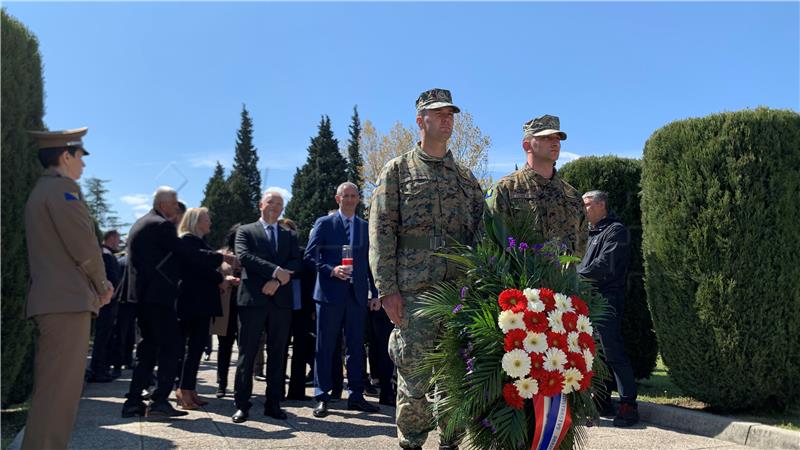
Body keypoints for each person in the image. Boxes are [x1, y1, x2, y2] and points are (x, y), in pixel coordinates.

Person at [369, 88, 485, 450]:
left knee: (455, 376)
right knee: (414, 377)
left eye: (451, 114)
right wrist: (387, 289)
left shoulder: (466, 179)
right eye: (439, 114)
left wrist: (481, 289)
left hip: (458, 294)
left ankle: (450, 442)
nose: (447, 119)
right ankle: (412, 442)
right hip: (414, 292)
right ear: (421, 121)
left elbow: (482, 235)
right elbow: (381, 231)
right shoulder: (397, 170)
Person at [22, 127, 115, 450]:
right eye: (80, 157)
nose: (83, 165)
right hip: (66, 303)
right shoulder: (63, 190)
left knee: (53, 390)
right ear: (65, 156)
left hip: (54, 301)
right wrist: (102, 285)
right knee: (59, 393)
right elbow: (84, 245)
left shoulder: (43, 191)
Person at [121, 187, 230, 419]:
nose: (177, 207)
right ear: (163, 204)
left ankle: (133, 402)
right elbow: (186, 254)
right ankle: (160, 401)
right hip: (159, 297)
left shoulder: (141, 222)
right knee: (172, 348)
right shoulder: (161, 225)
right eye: (174, 203)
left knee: (147, 349)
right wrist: (222, 257)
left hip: (142, 296)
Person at [305, 182, 380, 418]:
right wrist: (330, 270)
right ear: (337, 198)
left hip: (356, 296)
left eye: (353, 196)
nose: (349, 199)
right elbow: (309, 256)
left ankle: (356, 396)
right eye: (345, 195)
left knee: (357, 348)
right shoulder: (324, 223)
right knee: (326, 346)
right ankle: (322, 396)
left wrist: (375, 293)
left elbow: (371, 263)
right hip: (329, 294)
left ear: (358, 199)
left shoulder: (365, 227)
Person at [231, 190, 301, 423]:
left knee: (278, 354)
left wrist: (277, 280)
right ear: (261, 204)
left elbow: (296, 261)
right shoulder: (246, 231)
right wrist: (274, 271)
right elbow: (244, 256)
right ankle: (242, 404)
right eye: (271, 202)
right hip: (252, 300)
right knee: (247, 353)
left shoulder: (288, 234)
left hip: (280, 302)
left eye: (279, 203)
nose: (275, 206)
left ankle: (274, 403)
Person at [577, 190, 639, 427]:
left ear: (601, 204)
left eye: (587, 204)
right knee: (593, 353)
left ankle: (628, 404)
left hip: (608, 300)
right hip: (588, 300)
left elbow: (605, 266)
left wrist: (573, 274)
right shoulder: (590, 233)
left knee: (612, 351)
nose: (584, 209)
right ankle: (602, 398)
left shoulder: (616, 231)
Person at [486, 114, 587, 256]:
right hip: (522, 277)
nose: (555, 142)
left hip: (564, 277)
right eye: (546, 137)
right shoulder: (505, 189)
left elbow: (581, 246)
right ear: (527, 145)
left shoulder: (572, 196)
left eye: (557, 138)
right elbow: (492, 243)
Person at [174, 207, 227, 410]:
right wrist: (219, 274)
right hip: (192, 302)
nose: (210, 223)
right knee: (190, 348)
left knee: (196, 348)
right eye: (207, 219)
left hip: (198, 302)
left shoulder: (197, 242)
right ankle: (183, 389)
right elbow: (200, 264)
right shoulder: (187, 240)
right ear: (196, 221)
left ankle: (189, 387)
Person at [211, 223, 242, 399]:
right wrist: (225, 279)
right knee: (224, 346)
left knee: (244, 348)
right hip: (226, 308)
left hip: (244, 307)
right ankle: (221, 384)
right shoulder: (221, 254)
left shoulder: (250, 255)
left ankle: (241, 385)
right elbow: (212, 276)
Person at [88, 229, 123, 382]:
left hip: (108, 301)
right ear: (111, 239)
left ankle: (100, 368)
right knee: (103, 337)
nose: (118, 243)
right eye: (117, 239)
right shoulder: (106, 255)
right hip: (107, 302)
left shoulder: (106, 254)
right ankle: (98, 370)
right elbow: (109, 278)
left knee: (105, 337)